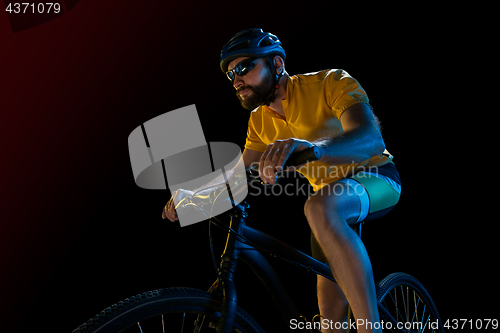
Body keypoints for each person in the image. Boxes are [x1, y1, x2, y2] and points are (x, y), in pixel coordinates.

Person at [163, 29, 401, 333]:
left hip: (376, 176)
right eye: (231, 74)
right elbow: (236, 172)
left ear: (277, 64)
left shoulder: (330, 82)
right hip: (326, 205)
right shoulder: (259, 122)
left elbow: (370, 138)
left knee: (318, 205)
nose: (236, 80)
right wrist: (193, 192)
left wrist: (314, 149)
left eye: (245, 67)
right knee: (330, 325)